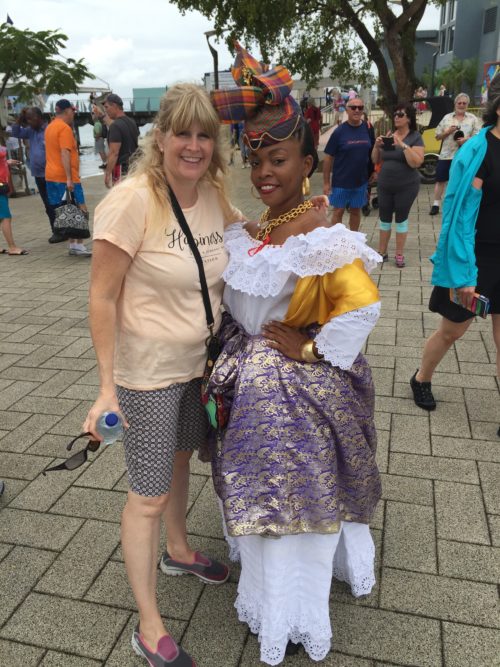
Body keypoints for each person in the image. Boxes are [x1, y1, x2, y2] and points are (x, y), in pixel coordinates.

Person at [211, 44, 382, 666]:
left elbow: (362, 307)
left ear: (309, 161)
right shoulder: (259, 225)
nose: (263, 172)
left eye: (278, 159)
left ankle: (291, 611)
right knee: (256, 475)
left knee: (291, 484)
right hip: (252, 375)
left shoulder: (319, 231)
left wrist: (311, 348)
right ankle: (266, 591)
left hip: (299, 387)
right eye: (256, 159)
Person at [83, 83, 243, 667]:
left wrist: (308, 225)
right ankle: (149, 626)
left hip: (198, 368)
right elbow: (101, 298)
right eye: (183, 133)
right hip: (147, 375)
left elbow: (247, 242)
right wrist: (106, 388)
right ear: (161, 137)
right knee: (147, 497)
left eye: (205, 135)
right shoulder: (132, 201)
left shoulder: (214, 193)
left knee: (179, 465)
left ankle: (178, 551)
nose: (194, 145)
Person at [410, 93, 500, 423]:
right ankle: (421, 378)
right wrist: (465, 273)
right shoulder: (479, 151)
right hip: (476, 258)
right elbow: (460, 215)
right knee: (452, 331)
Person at [371, 102, 424, 268]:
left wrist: (402, 145)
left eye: (400, 115)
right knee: (384, 218)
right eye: (395, 114)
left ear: (409, 118)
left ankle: (399, 254)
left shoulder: (415, 137)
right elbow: (375, 160)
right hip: (385, 184)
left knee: (401, 219)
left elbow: (417, 162)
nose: (396, 117)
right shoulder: (389, 134)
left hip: (406, 185)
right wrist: (376, 146)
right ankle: (382, 252)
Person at [8, 107, 63, 243]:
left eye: (30, 119)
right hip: (38, 174)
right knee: (47, 204)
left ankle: (62, 230)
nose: (29, 122)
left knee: (56, 202)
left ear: (38, 118)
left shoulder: (48, 130)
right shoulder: (30, 131)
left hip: (51, 173)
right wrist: (21, 118)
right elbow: (16, 132)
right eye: (27, 120)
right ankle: (55, 230)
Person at [44, 99, 91, 256]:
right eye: (73, 111)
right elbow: (65, 152)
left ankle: (72, 244)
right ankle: (78, 245)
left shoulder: (49, 127)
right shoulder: (64, 128)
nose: (74, 114)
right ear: (67, 111)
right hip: (65, 177)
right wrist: (70, 178)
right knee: (80, 209)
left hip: (51, 176)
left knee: (65, 210)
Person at [323, 97, 374, 231]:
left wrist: (374, 170)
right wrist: (326, 183)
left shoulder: (368, 128)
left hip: (361, 181)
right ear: (347, 110)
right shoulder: (339, 131)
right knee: (338, 211)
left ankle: (354, 238)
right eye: (353, 107)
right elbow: (328, 157)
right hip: (341, 181)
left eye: (360, 108)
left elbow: (372, 151)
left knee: (356, 211)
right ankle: (336, 240)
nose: (357, 110)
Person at [430, 93, 481, 216]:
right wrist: (447, 131)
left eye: (464, 103)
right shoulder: (447, 118)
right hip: (446, 154)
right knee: (440, 180)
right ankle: (436, 204)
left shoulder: (473, 118)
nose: (462, 105)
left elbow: (478, 136)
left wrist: (466, 140)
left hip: (465, 156)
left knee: (463, 180)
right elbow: (437, 136)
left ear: (468, 105)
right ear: (455, 104)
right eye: (459, 103)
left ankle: (459, 203)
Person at [103, 93, 139, 187]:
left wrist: (107, 173)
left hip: (122, 169)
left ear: (114, 106)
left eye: (107, 107)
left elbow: (114, 153)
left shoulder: (115, 126)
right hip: (134, 167)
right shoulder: (132, 122)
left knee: (121, 198)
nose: (106, 111)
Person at [0, 147, 28, 255]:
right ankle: (12, 247)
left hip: (3, 184)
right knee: (5, 217)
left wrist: (6, 162)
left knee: (2, 216)